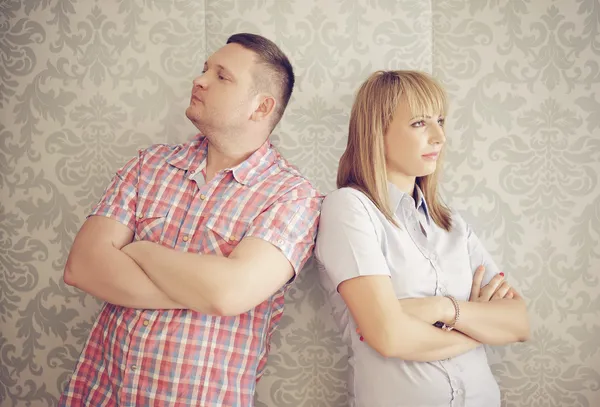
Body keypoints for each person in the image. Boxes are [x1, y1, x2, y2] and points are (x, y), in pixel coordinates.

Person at [60, 33, 322, 406]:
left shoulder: (292, 196)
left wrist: (141, 250)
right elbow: (83, 267)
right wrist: (203, 289)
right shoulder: (148, 165)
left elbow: (227, 294)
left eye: (221, 76)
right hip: (102, 393)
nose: (199, 81)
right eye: (204, 70)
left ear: (261, 108)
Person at [315, 70, 530, 407]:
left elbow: (519, 322)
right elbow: (388, 336)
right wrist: (477, 328)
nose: (439, 137)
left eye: (440, 120)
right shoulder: (350, 208)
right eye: (419, 123)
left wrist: (443, 309)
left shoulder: (452, 225)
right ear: (377, 131)